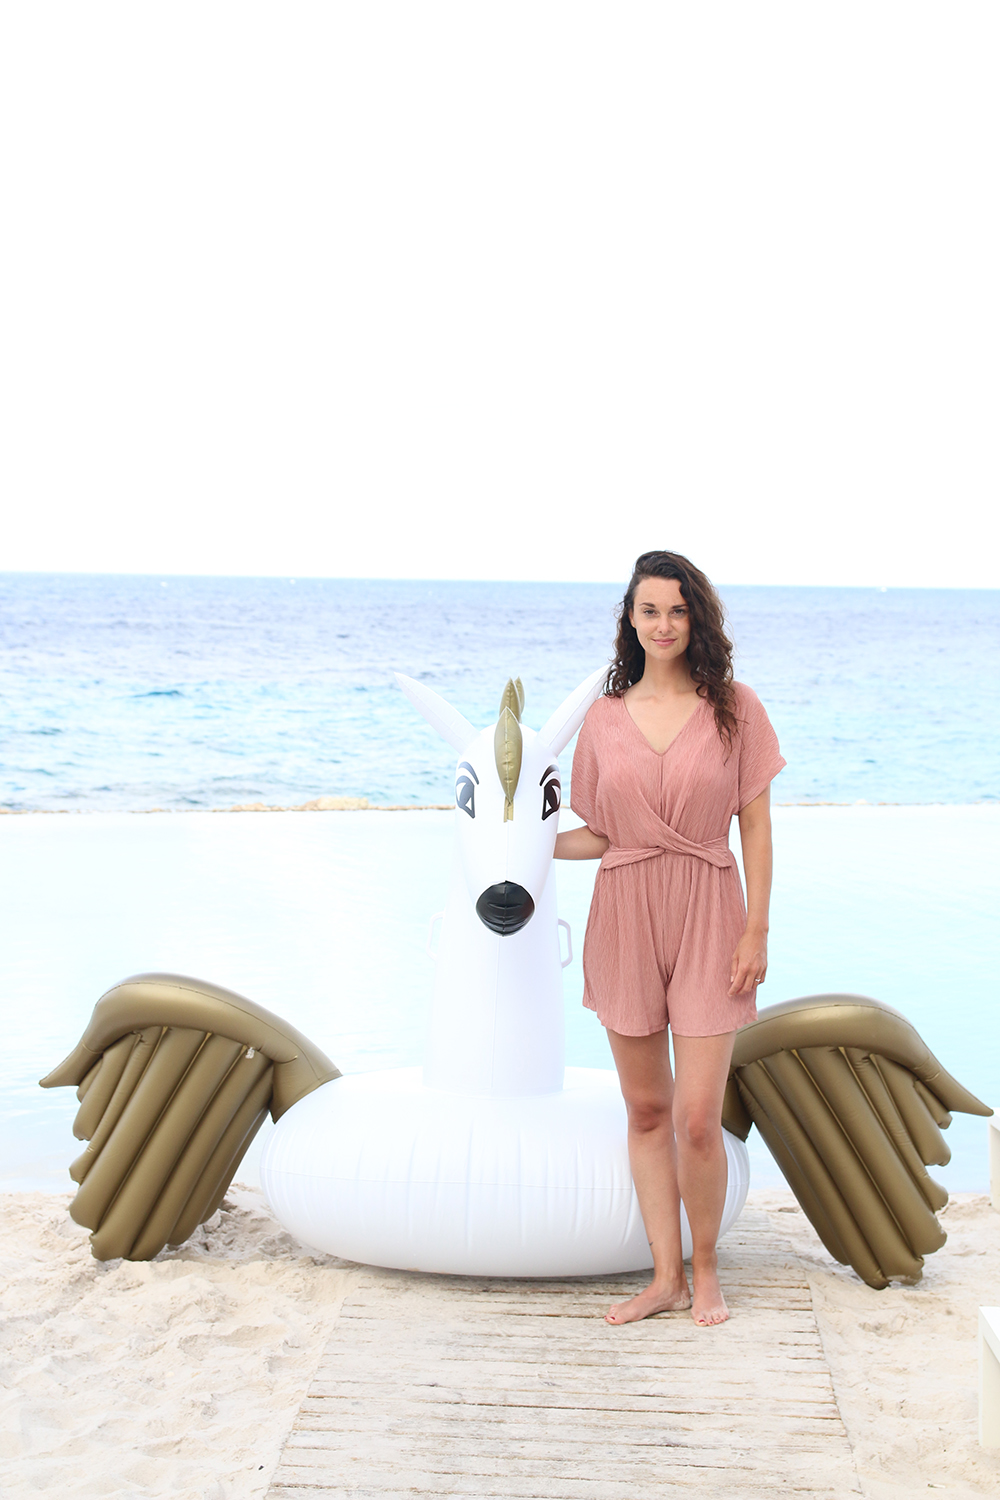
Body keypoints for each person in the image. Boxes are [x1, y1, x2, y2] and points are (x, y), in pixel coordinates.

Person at [554, 551, 785, 1327]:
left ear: (697, 618)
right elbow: (600, 832)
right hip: (624, 911)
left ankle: (706, 1268)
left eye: (678, 611)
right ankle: (665, 1279)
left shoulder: (735, 708)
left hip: (711, 909)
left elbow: (755, 825)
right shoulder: (604, 719)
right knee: (648, 1109)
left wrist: (756, 927)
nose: (664, 625)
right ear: (630, 618)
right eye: (650, 610)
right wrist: (525, 845)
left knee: (696, 1117)